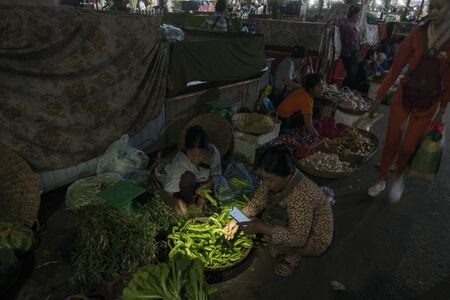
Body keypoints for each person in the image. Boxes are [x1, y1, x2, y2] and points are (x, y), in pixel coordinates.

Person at [368, 0, 450, 203]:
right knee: (392, 141)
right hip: (404, 95)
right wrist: (379, 96)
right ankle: (381, 180)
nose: (433, 11)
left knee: (408, 147)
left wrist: (443, 108)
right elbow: (396, 68)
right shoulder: (417, 33)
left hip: (429, 101)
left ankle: (398, 177)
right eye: (431, 7)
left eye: (439, 7)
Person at [223, 146, 334, 277]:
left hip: (313, 236)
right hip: (295, 221)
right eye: (263, 178)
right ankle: (276, 239)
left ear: (288, 175)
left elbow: (298, 238)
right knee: (260, 225)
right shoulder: (273, 178)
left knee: (271, 236)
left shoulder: (302, 195)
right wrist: (237, 218)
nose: (265, 183)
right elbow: (258, 201)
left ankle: (292, 256)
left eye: (270, 179)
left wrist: (260, 227)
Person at [155, 126, 222, 215]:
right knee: (187, 178)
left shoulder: (213, 153)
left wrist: (205, 188)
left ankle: (200, 202)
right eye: (192, 155)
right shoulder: (180, 161)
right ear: (186, 150)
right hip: (187, 188)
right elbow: (166, 193)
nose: (196, 160)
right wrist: (174, 202)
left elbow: (215, 176)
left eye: (200, 155)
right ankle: (188, 202)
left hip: (204, 185)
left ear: (206, 150)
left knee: (219, 187)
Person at [337, 5, 362, 89]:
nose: (358, 17)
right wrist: (357, 50)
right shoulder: (349, 26)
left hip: (347, 54)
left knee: (351, 74)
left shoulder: (344, 22)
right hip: (350, 54)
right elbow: (352, 43)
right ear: (354, 14)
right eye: (358, 15)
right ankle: (346, 92)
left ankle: (344, 90)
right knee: (352, 75)